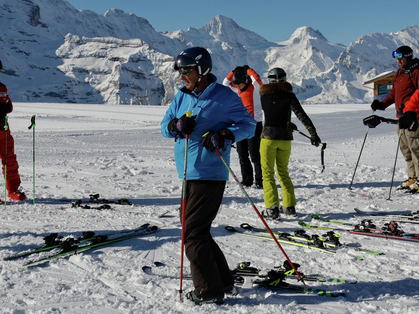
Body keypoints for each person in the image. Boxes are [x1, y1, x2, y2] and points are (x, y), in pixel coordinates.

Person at [161, 47, 256, 305]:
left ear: (201, 70)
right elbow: (164, 126)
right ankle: (222, 280)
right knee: (196, 230)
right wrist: (175, 126)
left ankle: (208, 290)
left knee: (191, 234)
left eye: (186, 71)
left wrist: (224, 135)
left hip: (210, 173)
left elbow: (248, 125)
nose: (182, 76)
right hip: (187, 173)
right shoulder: (181, 97)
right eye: (180, 71)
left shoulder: (224, 98)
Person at [259, 67, 321, 218]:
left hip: (268, 139)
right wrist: (313, 135)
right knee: (283, 172)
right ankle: (289, 207)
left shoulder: (263, 96)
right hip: (285, 139)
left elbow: (272, 113)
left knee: (267, 175)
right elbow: (302, 116)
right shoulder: (289, 96)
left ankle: (272, 209)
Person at [370, 46, 419, 190]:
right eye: (397, 59)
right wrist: (382, 104)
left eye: (401, 59)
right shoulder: (400, 73)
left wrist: (412, 113)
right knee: (406, 150)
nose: (398, 62)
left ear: (408, 58)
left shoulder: (416, 72)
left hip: (413, 118)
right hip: (401, 118)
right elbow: (394, 93)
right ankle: (413, 177)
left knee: (416, 149)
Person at [223, 65, 263, 188]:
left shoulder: (255, 89)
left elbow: (257, 80)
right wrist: (233, 71)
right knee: (242, 154)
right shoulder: (238, 89)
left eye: (239, 84)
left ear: (245, 80)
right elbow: (225, 83)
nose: (237, 87)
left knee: (255, 154)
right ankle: (247, 180)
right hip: (241, 125)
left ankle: (260, 181)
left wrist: (248, 70)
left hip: (255, 124)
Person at [0, 60, 26, 201]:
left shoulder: (2, 87)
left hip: (2, 129)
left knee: (9, 159)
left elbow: (8, 105)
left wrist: (5, 108)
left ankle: (13, 190)